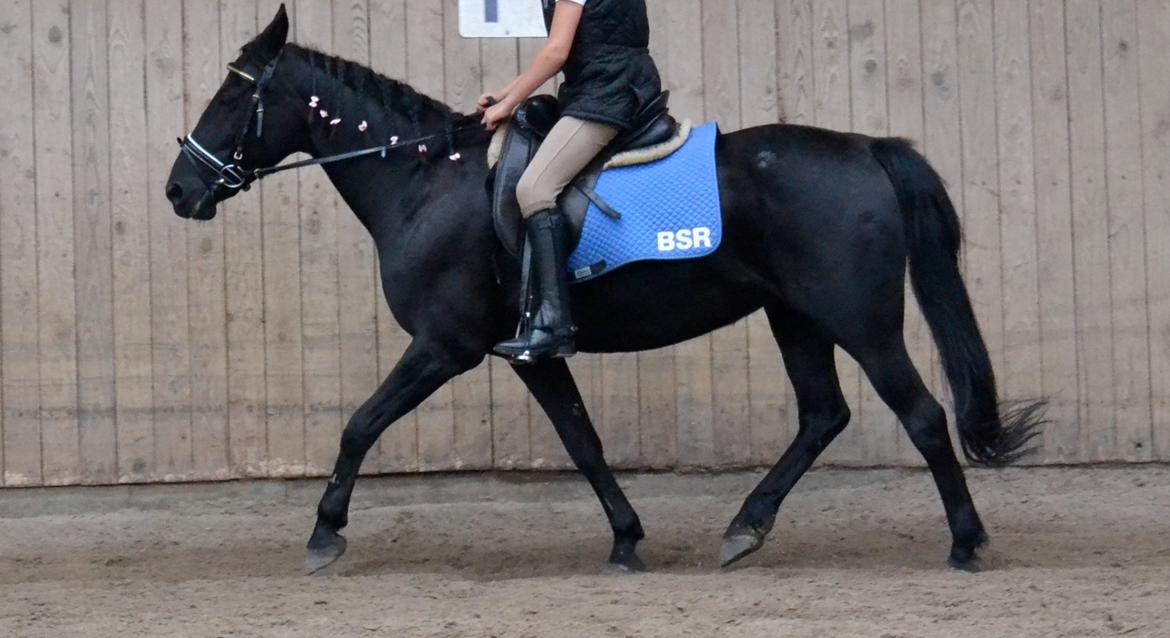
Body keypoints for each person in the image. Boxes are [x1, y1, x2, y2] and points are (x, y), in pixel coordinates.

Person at [480, 0, 663, 363]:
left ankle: (553, 324)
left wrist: (509, 104)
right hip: (612, 83)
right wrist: (508, 92)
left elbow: (556, 52)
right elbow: (585, 48)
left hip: (608, 93)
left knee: (534, 188)